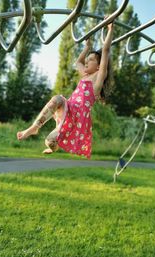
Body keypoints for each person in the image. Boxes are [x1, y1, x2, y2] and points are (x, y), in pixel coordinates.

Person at [17, 22, 114, 159]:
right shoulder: (85, 75)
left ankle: (53, 146)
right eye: (88, 59)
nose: (87, 61)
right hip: (69, 108)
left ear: (99, 67)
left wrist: (110, 28)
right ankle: (34, 127)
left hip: (77, 117)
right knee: (57, 98)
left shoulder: (98, 78)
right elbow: (78, 63)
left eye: (91, 60)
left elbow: (105, 50)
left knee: (49, 141)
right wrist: (86, 48)